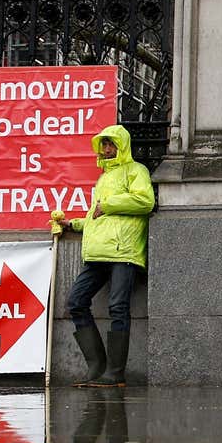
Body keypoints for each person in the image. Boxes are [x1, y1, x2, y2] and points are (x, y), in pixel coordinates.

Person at [52, 125, 155, 388]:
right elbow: (95, 216)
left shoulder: (136, 171)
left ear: (122, 146)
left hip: (124, 251)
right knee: (76, 301)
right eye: (104, 145)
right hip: (99, 252)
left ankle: (115, 373)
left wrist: (107, 205)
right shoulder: (102, 179)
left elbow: (145, 201)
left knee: (118, 307)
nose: (107, 150)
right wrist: (72, 224)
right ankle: (96, 366)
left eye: (111, 145)